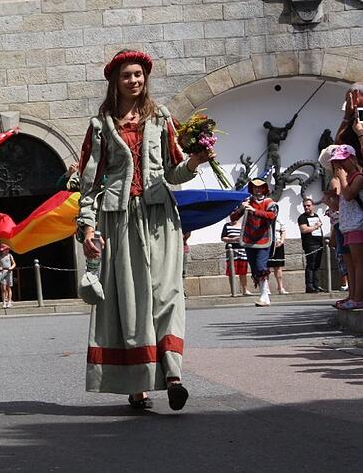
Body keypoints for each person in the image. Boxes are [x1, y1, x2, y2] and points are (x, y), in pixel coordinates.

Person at [77, 50, 210, 412]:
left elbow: (173, 171)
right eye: (126, 76)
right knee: (132, 303)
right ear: (114, 82)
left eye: (138, 75)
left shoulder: (161, 118)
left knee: (167, 294)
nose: (134, 81)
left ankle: (173, 376)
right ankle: (138, 384)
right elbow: (88, 185)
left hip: (160, 216)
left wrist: (195, 161)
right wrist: (87, 229)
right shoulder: (100, 125)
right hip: (119, 220)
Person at [230, 178, 278, 307]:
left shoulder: (269, 203)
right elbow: (233, 217)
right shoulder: (247, 202)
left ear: (264, 189)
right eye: (255, 187)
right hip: (249, 240)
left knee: (261, 266)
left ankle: (265, 296)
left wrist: (254, 211)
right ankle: (264, 292)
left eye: (260, 187)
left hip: (264, 239)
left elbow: (272, 215)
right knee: (255, 268)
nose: (257, 189)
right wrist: (242, 209)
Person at [331, 144, 363, 310]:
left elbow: (350, 195)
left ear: (352, 158)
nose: (340, 165)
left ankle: (358, 298)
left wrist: (342, 179)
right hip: (348, 226)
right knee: (350, 263)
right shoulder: (347, 178)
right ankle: (352, 295)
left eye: (342, 161)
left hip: (358, 224)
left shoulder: (358, 177)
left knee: (359, 263)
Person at [298, 198, 326, 293]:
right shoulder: (302, 217)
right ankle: (309, 286)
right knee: (311, 265)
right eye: (305, 206)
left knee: (317, 265)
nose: (306, 207)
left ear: (313, 206)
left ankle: (316, 285)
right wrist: (316, 226)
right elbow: (304, 229)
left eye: (308, 205)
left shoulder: (316, 216)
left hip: (319, 243)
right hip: (310, 244)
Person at [220, 216, 251, 296]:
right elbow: (223, 238)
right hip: (231, 250)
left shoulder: (242, 225)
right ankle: (233, 291)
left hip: (242, 249)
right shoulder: (227, 225)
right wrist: (233, 239)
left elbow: (247, 236)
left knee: (243, 271)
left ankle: (244, 290)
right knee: (231, 271)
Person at [0, 243, 15, 308]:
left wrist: (11, 267)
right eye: (5, 249)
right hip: (2, 272)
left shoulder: (10, 255)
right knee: (3, 288)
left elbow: (14, 263)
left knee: (9, 287)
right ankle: (4, 302)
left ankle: (9, 301)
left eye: (7, 249)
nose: (7, 251)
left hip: (9, 272)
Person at [269, 221, 288, 294]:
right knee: (265, 267)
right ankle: (266, 288)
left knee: (278, 267)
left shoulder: (279, 221)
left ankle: (280, 287)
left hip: (278, 244)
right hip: (267, 244)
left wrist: (281, 241)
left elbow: (283, 231)